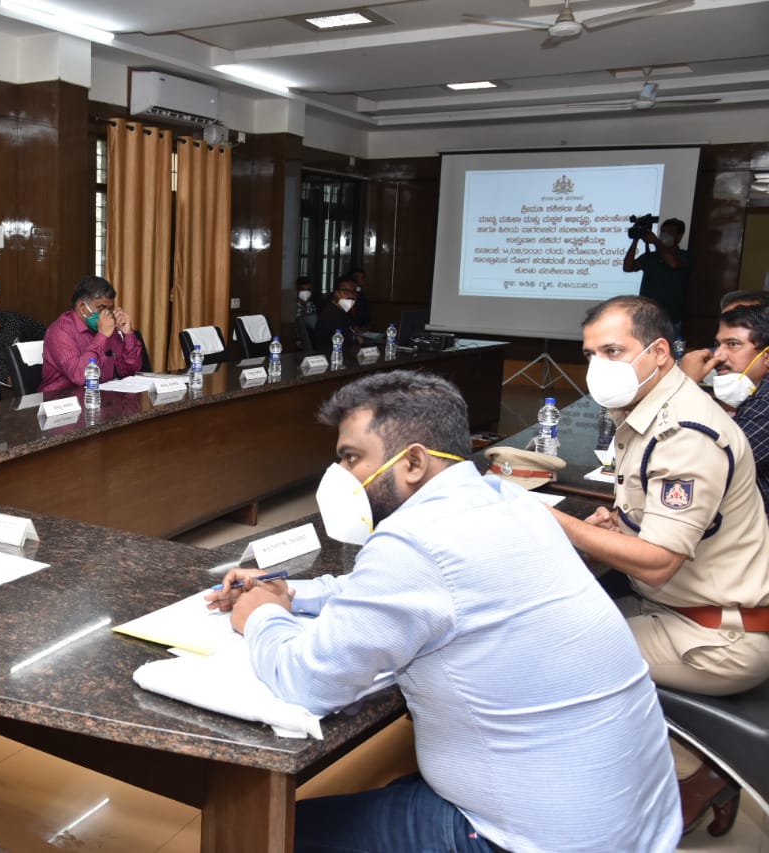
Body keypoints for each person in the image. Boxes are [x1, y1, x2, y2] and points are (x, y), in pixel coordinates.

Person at [205, 370, 680, 852]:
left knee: (273, 832)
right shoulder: (508, 500)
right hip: (634, 820)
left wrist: (263, 615)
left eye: (351, 458)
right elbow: (398, 588)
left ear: (412, 461)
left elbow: (309, 682)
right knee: (393, 796)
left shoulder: (413, 543)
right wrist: (294, 593)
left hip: (536, 839)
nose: (339, 478)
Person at [553, 294, 769, 836]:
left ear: (658, 353)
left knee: (553, 657)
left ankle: (644, 794)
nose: (598, 366)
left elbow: (657, 564)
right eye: (589, 354)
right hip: (694, 610)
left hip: (718, 635)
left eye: (612, 351)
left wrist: (557, 523)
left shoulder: (685, 433)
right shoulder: (654, 411)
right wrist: (618, 525)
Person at [678, 304, 769, 509]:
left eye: (733, 344)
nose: (719, 356)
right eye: (718, 344)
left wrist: (684, 383)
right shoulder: (753, 393)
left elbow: (706, 465)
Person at [39, 275, 142, 394]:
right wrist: (102, 336)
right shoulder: (60, 331)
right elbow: (80, 377)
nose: (107, 314)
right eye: (101, 308)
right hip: (61, 401)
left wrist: (128, 334)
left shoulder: (108, 328)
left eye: (110, 309)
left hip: (98, 398)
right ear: (83, 308)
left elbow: (129, 371)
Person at [624, 217, 692, 336]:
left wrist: (656, 242)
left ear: (680, 236)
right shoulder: (651, 257)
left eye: (670, 232)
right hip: (646, 317)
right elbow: (628, 267)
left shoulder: (684, 256)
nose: (664, 235)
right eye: (663, 232)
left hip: (670, 318)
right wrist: (636, 240)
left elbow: (673, 264)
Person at [312, 274, 369, 351]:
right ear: (336, 294)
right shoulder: (331, 314)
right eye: (346, 291)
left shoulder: (343, 311)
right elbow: (345, 344)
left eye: (354, 292)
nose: (351, 295)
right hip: (332, 356)